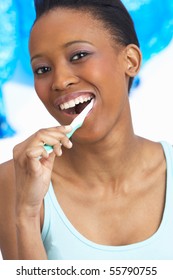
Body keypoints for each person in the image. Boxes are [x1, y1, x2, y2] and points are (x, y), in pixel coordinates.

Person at [0, 0, 172, 260]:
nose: (59, 81)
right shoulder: (14, 181)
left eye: (78, 55)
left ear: (131, 60)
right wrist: (26, 214)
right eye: (43, 69)